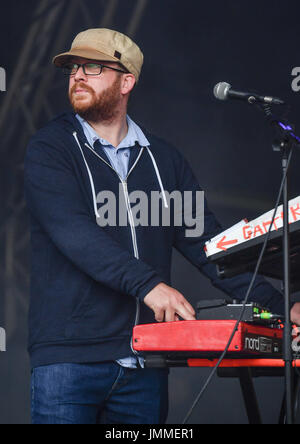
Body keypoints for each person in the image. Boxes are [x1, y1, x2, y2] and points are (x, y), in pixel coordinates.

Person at [24, 28, 300, 425]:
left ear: (127, 81)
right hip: (69, 361)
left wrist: (282, 306)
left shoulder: (165, 161)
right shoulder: (51, 149)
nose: (77, 75)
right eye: (72, 68)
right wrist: (149, 286)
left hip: (146, 365)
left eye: (93, 67)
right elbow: (74, 233)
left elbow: (209, 249)